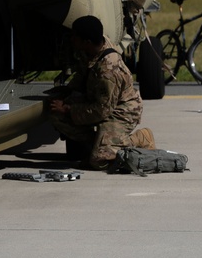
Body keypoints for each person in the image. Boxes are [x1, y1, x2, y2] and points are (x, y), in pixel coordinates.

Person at [48, 15, 156, 170]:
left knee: (100, 160)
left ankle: (139, 139)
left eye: (75, 37)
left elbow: (101, 111)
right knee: (55, 114)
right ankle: (101, 144)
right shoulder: (93, 46)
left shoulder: (108, 71)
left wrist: (67, 108)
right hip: (98, 101)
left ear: (87, 42)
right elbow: (83, 72)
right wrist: (67, 93)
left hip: (121, 111)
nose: (72, 39)